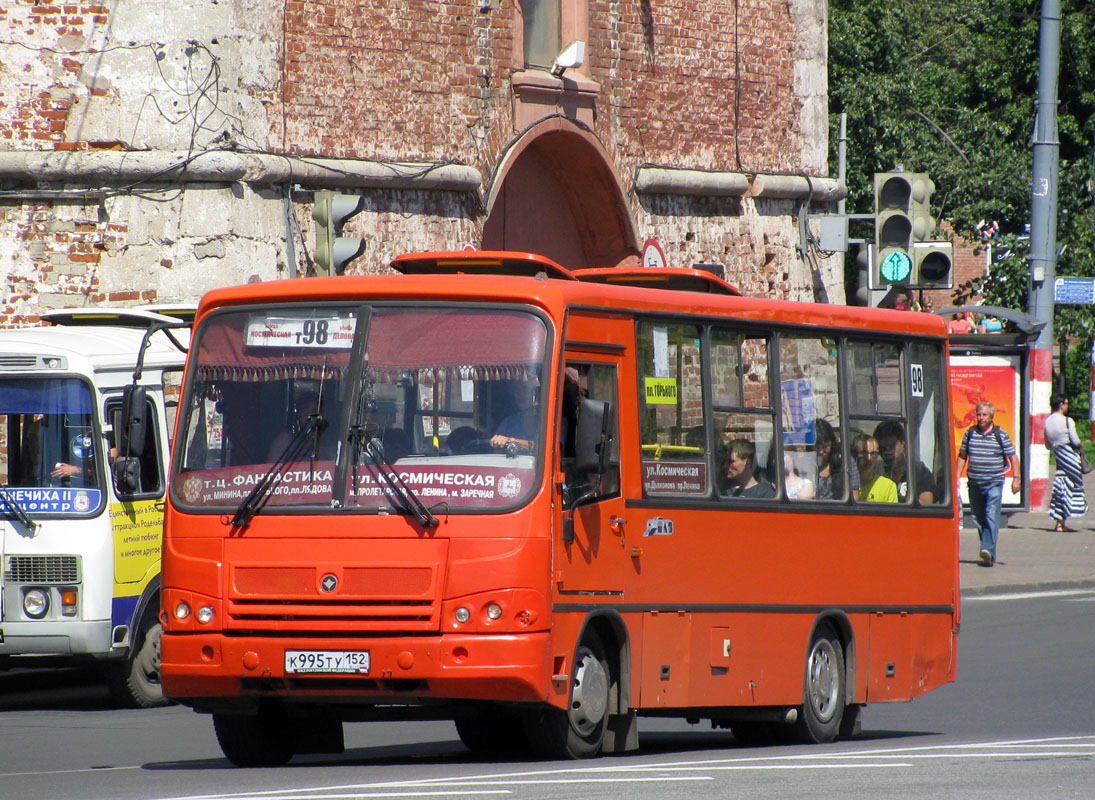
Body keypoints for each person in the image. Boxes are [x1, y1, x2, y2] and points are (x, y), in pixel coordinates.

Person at [956, 401, 1021, 567]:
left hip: (994, 483)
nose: (981, 418)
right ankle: (989, 553)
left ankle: (987, 549)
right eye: (979, 414)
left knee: (991, 515)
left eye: (984, 415)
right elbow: (962, 456)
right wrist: (956, 477)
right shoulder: (970, 434)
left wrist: (1016, 478)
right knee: (978, 518)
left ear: (992, 416)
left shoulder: (1000, 434)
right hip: (975, 483)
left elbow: (1013, 457)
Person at [1044, 393, 1087, 532]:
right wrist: (1080, 444)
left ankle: (1060, 523)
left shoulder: (1048, 421)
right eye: (1067, 404)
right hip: (1072, 460)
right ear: (1061, 405)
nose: (1067, 407)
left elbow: (1047, 445)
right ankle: (1063, 522)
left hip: (1059, 460)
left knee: (1060, 490)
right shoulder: (1068, 421)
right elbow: (1074, 441)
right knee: (1072, 489)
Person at [874, 420, 937, 504]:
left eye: (892, 446)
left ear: (903, 443)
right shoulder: (876, 473)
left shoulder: (919, 472)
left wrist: (896, 498)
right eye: (883, 448)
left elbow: (926, 503)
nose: (887, 452)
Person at [814, 418, 859, 500]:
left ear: (832, 443)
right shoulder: (805, 462)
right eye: (817, 447)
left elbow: (854, 495)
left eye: (825, 446)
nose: (820, 452)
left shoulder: (845, 462)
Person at [491, 376, 539, 451]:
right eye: (516, 389)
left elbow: (546, 449)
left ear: (535, 392)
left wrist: (513, 442)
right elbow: (496, 453)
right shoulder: (508, 423)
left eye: (524, 388)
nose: (520, 394)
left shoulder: (553, 422)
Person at [851, 433, 898, 503]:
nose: (869, 458)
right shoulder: (845, 485)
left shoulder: (888, 487)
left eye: (873, 454)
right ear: (854, 454)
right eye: (864, 453)